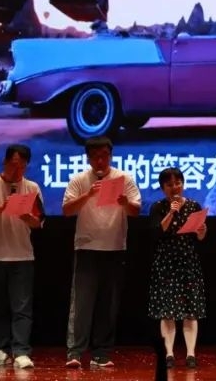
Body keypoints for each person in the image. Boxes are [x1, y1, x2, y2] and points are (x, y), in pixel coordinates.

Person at [62, 137, 142, 368]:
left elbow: (136, 210)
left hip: (114, 247)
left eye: (105, 155)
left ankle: (102, 354)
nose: (100, 160)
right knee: (82, 303)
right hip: (86, 247)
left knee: (109, 303)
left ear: (110, 155)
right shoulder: (79, 179)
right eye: (96, 156)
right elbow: (66, 210)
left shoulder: (123, 178)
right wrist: (87, 195)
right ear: (88, 158)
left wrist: (124, 202)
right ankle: (75, 352)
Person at [0, 144, 44, 369]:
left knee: (22, 308)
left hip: (22, 256)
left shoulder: (32, 187)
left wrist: (27, 217)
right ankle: (0, 350)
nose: (17, 170)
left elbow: (39, 222)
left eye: (22, 166)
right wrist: (1, 208)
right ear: (4, 162)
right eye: (13, 165)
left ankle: (21, 351)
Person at [148, 167, 207, 369]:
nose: (175, 187)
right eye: (169, 184)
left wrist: (202, 231)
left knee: (191, 310)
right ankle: (169, 354)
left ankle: (190, 354)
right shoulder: (158, 207)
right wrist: (172, 212)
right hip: (166, 263)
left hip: (188, 262)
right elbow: (157, 232)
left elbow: (200, 238)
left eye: (178, 183)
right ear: (163, 187)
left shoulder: (193, 206)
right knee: (168, 311)